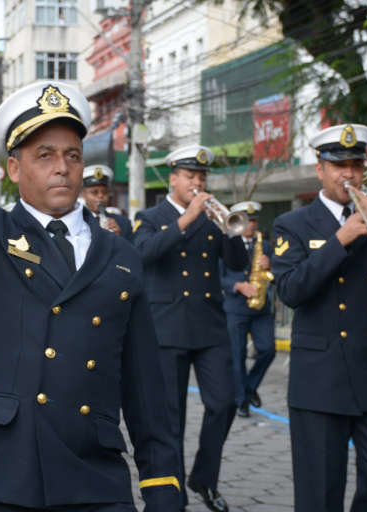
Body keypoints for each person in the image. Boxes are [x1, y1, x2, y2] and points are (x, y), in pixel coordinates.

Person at [0, 5, 181, 510]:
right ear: (13, 168)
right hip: (6, 478)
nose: (62, 168)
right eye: (44, 156)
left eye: (73, 155)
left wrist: (162, 486)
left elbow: (145, 387)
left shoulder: (119, 255)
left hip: (95, 482)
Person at [271, 123, 367, 512]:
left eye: (356, 165)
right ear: (319, 169)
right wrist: (341, 238)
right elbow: (291, 291)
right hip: (320, 378)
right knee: (320, 493)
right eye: (338, 165)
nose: (349, 174)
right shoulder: (292, 225)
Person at [132, 144, 247, 512]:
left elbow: (238, 262)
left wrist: (230, 231)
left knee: (224, 402)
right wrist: (185, 221)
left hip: (209, 327)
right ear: (174, 179)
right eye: (190, 177)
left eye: (202, 177)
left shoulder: (213, 217)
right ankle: (174, 493)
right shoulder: (150, 216)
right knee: (172, 419)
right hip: (165, 328)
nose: (197, 183)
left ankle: (204, 477)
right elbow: (143, 254)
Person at [220, 201, 275, 417]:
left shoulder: (265, 245)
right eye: (247, 220)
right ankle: (241, 401)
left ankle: (250, 387)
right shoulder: (227, 243)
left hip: (261, 308)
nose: (251, 225)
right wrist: (238, 286)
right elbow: (219, 277)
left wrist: (270, 265)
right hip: (235, 308)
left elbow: (279, 271)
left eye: (254, 220)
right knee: (237, 355)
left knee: (268, 350)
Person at [80, 164, 131, 239]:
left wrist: (118, 239)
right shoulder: (77, 222)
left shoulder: (123, 223)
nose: (101, 196)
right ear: (83, 194)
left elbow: (132, 249)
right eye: (94, 192)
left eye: (105, 192)